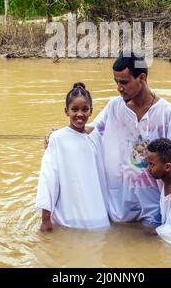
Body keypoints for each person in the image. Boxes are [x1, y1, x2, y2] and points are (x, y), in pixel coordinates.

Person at [45, 53, 171, 228]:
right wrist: (59, 135)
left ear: (142, 78)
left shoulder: (169, 114)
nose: (119, 88)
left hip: (155, 202)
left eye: (124, 82)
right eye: (116, 82)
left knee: (157, 244)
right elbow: (90, 131)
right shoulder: (115, 106)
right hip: (120, 204)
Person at [36, 82, 110, 231]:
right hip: (69, 216)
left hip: (96, 214)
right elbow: (48, 178)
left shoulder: (95, 136)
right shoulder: (58, 139)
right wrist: (45, 219)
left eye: (85, 109)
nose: (80, 114)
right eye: (74, 109)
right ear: (66, 111)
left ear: (91, 111)